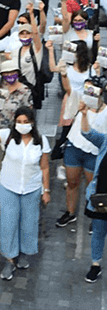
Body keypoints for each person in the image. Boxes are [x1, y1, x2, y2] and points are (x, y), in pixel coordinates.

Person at [0, 106, 50, 280]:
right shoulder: (7, 136)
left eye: (26, 122)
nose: (22, 125)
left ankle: (25, 252)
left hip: (31, 188)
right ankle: (9, 259)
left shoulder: (41, 141)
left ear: (32, 123)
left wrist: (46, 190)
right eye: (19, 122)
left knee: (29, 222)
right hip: (9, 187)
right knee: (8, 223)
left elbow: (45, 167)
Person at [57, 82, 106, 229]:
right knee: (72, 182)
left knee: (93, 186)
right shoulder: (79, 103)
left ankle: (95, 216)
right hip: (74, 148)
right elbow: (68, 89)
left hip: (94, 153)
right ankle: (70, 212)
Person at [81, 101, 107, 282]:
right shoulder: (106, 140)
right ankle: (95, 264)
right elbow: (87, 133)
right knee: (98, 231)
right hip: (102, 197)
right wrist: (84, 115)